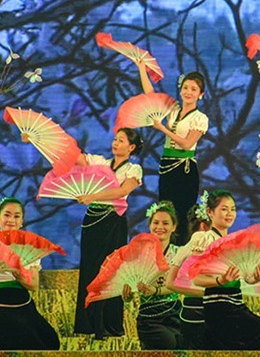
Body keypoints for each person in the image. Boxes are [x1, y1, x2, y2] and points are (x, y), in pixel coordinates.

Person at [191, 190, 260, 350]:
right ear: (210, 212)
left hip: (237, 303)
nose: (229, 214)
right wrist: (220, 280)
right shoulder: (204, 238)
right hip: (219, 306)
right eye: (224, 209)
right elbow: (196, 278)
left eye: (233, 209)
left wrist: (254, 278)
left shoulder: (235, 242)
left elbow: (243, 278)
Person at [73, 127, 143, 339]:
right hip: (93, 221)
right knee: (90, 270)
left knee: (111, 271)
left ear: (131, 147)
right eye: (115, 139)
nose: (115, 143)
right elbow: (73, 157)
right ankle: (88, 324)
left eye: (121, 140)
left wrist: (93, 196)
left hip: (113, 222)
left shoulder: (133, 169)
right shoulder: (101, 163)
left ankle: (109, 325)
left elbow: (122, 191)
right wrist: (39, 141)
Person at [0, 197, 60, 350]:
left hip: (23, 302)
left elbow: (34, 286)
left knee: (48, 340)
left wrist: (18, 273)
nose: (11, 220)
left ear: (22, 221)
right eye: (7, 215)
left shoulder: (30, 247)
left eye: (16, 216)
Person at [138, 62, 209, 245]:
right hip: (167, 166)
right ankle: (164, 254)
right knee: (165, 210)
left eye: (193, 89)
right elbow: (151, 96)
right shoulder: (173, 109)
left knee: (184, 213)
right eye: (185, 87)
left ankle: (180, 257)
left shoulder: (200, 118)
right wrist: (141, 69)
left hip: (185, 169)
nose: (188, 92)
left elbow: (187, 144)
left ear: (201, 95)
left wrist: (163, 129)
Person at [122, 202, 181, 350]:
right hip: (149, 317)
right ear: (149, 225)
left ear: (174, 227)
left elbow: (179, 284)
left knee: (181, 344)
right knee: (169, 344)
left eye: (165, 223)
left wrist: (156, 290)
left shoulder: (180, 253)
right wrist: (127, 295)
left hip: (174, 312)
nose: (160, 227)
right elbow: (130, 294)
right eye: (156, 223)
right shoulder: (139, 254)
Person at [165, 202, 213, 349]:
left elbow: (170, 283)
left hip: (190, 311)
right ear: (204, 226)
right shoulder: (196, 248)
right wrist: (206, 292)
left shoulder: (183, 250)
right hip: (202, 311)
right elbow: (169, 283)